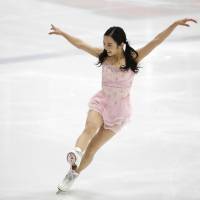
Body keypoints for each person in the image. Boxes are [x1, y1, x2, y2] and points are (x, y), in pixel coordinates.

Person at [48, 18, 197, 191]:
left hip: (118, 112)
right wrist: (63, 33)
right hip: (102, 101)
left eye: (110, 45)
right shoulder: (103, 56)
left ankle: (73, 174)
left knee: (93, 149)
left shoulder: (133, 58)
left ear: (121, 45)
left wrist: (173, 25)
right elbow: (81, 44)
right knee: (90, 127)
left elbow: (156, 41)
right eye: (104, 44)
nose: (106, 48)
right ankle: (76, 152)